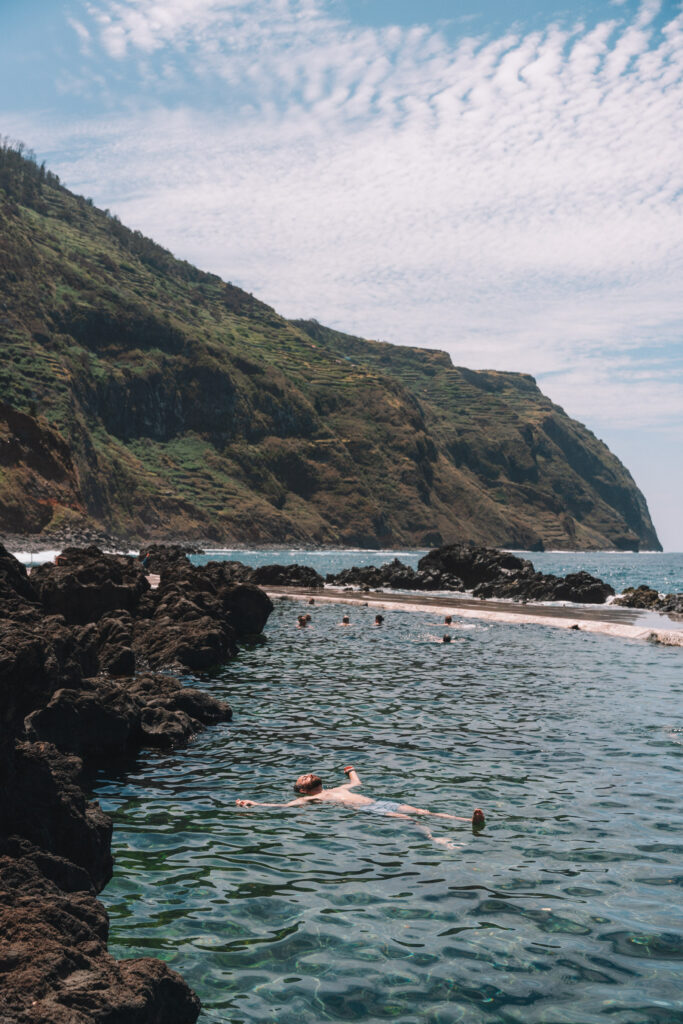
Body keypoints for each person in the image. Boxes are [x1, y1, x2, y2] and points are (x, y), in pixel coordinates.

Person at [236, 766, 485, 833]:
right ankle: (437, 840)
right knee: (410, 819)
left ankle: (467, 820)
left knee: (423, 811)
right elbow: (283, 806)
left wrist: (350, 770)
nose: (307, 774)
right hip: (372, 812)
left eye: (308, 773)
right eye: (303, 777)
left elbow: (357, 784)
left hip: (379, 802)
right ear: (303, 790)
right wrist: (255, 804)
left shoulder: (337, 788)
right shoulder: (314, 799)